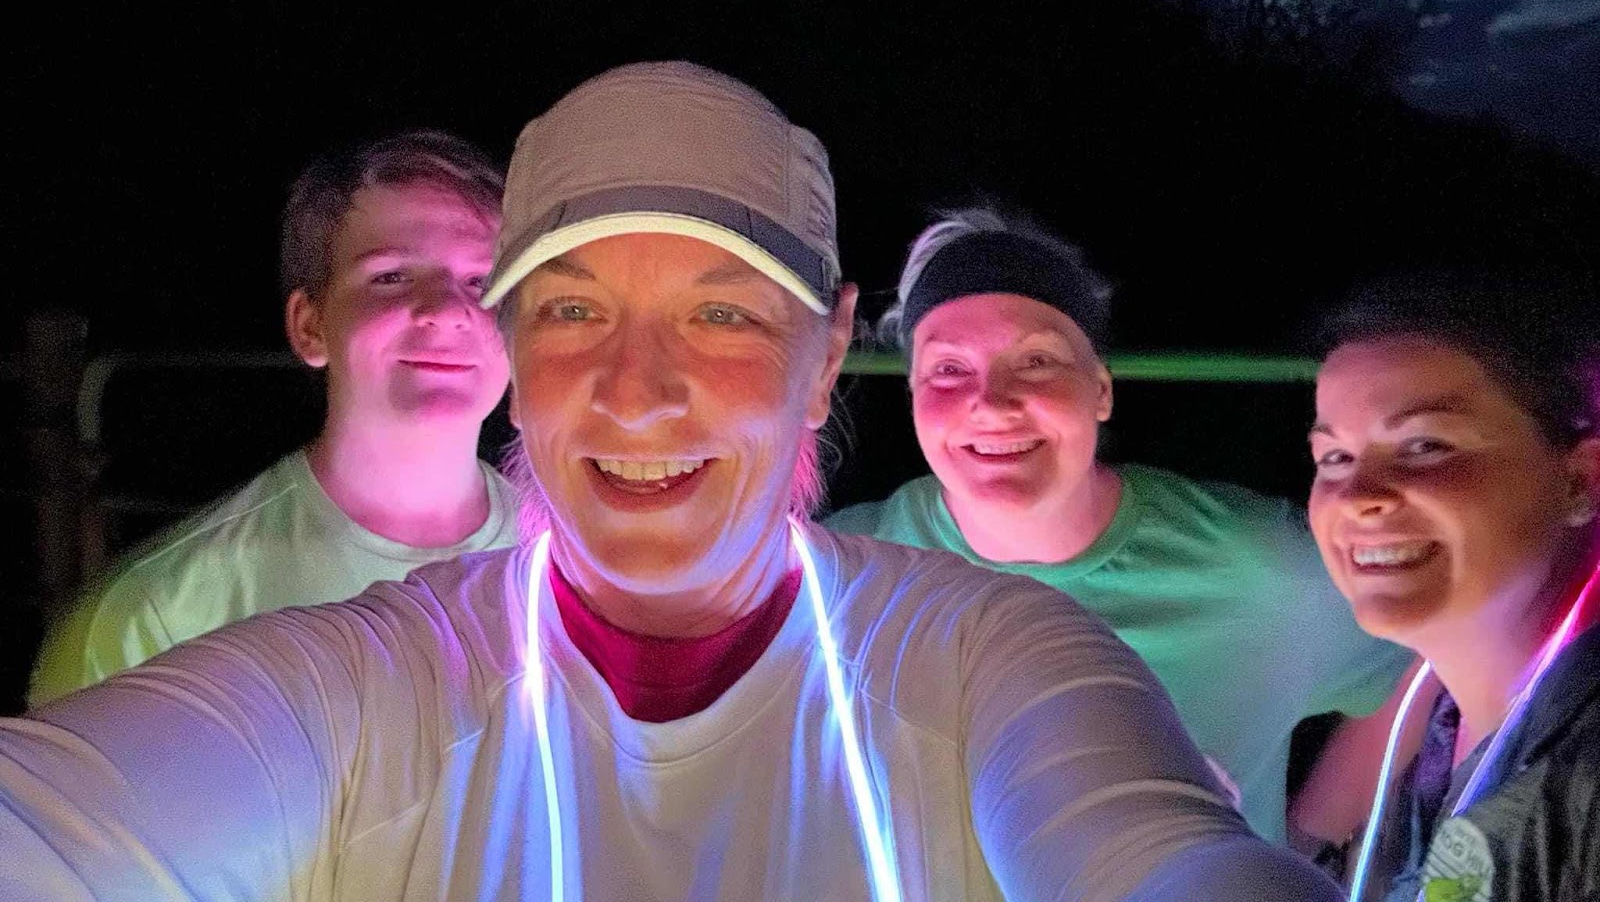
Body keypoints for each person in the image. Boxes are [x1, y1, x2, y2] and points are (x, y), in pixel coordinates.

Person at [0, 62, 1342, 900]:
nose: (635, 391)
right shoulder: (354, 686)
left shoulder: (993, 658)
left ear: (827, 357)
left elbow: (1151, 849)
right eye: (574, 311)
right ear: (516, 358)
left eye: (720, 313)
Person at [827, 207, 1413, 844]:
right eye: (948, 369)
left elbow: (1417, 656)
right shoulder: (835, 579)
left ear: (1101, 391)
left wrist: (1311, 836)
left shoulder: (1266, 576)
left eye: (1037, 361)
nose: (991, 402)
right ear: (914, 395)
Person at [27, 130, 519, 706]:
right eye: (391, 276)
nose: (447, 310)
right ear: (310, 326)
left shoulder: (575, 566)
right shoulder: (152, 622)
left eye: (482, 282)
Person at [1308, 272, 1600, 901]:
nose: (1358, 496)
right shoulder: (1439, 730)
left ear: (1581, 481)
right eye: (1334, 458)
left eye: (1424, 445)